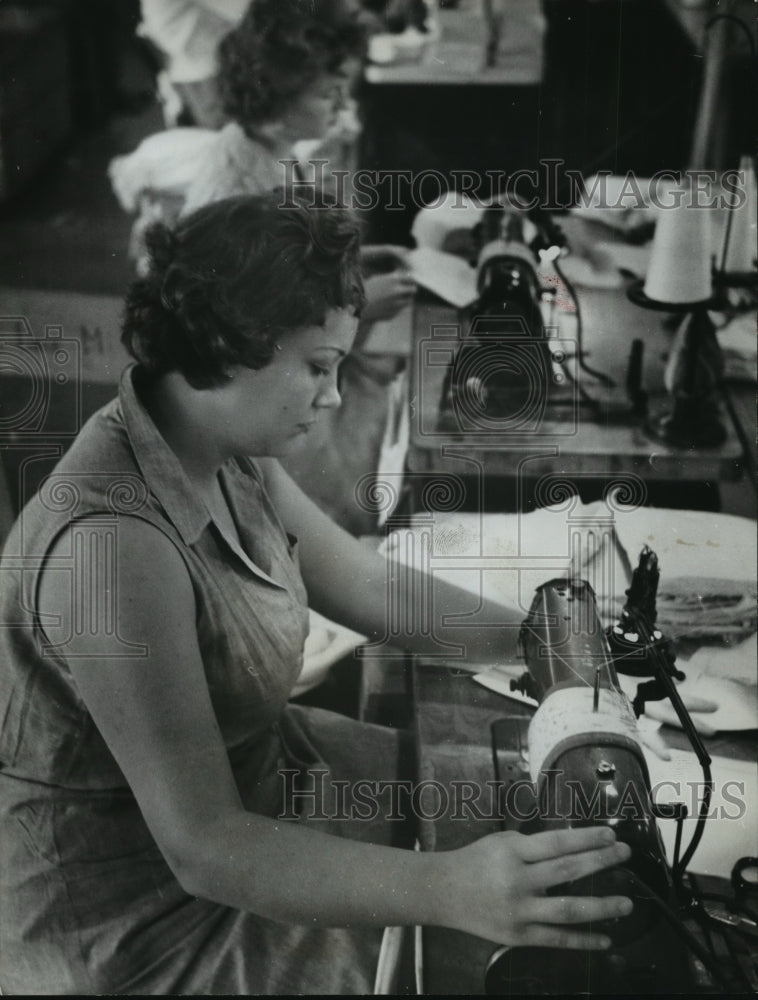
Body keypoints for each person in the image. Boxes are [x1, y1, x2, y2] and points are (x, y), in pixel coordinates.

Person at [0, 194, 633, 994]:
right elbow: (204, 844)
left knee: (480, 799)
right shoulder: (109, 547)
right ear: (231, 349)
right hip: (143, 919)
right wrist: (451, 887)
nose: (334, 396)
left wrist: (546, 635)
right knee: (455, 956)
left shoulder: (223, 447)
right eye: (318, 367)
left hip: (263, 789)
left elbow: (366, 583)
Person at [110, 0, 416, 536]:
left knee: (397, 421)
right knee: (370, 500)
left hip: (291, 378)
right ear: (275, 97)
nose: (341, 102)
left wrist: (357, 264)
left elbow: (291, 271)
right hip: (251, 408)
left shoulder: (276, 152)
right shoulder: (236, 186)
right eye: (326, 92)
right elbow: (247, 344)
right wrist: (362, 305)